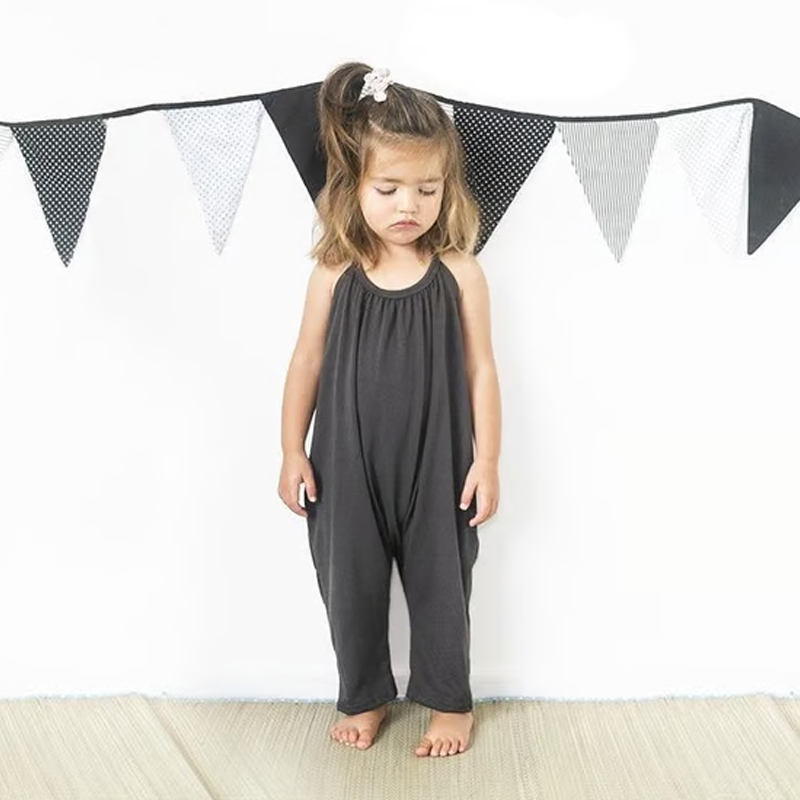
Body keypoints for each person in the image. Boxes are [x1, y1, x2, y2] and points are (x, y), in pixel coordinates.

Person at [277, 62, 502, 758]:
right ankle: (364, 694)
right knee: (350, 586)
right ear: (354, 184)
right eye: (389, 188)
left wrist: (488, 461)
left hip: (439, 466)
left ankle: (450, 703)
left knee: (443, 585)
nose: (410, 204)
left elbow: (481, 368)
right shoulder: (334, 272)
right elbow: (306, 361)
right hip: (345, 465)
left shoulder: (460, 272)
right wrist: (291, 450)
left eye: (427, 189)